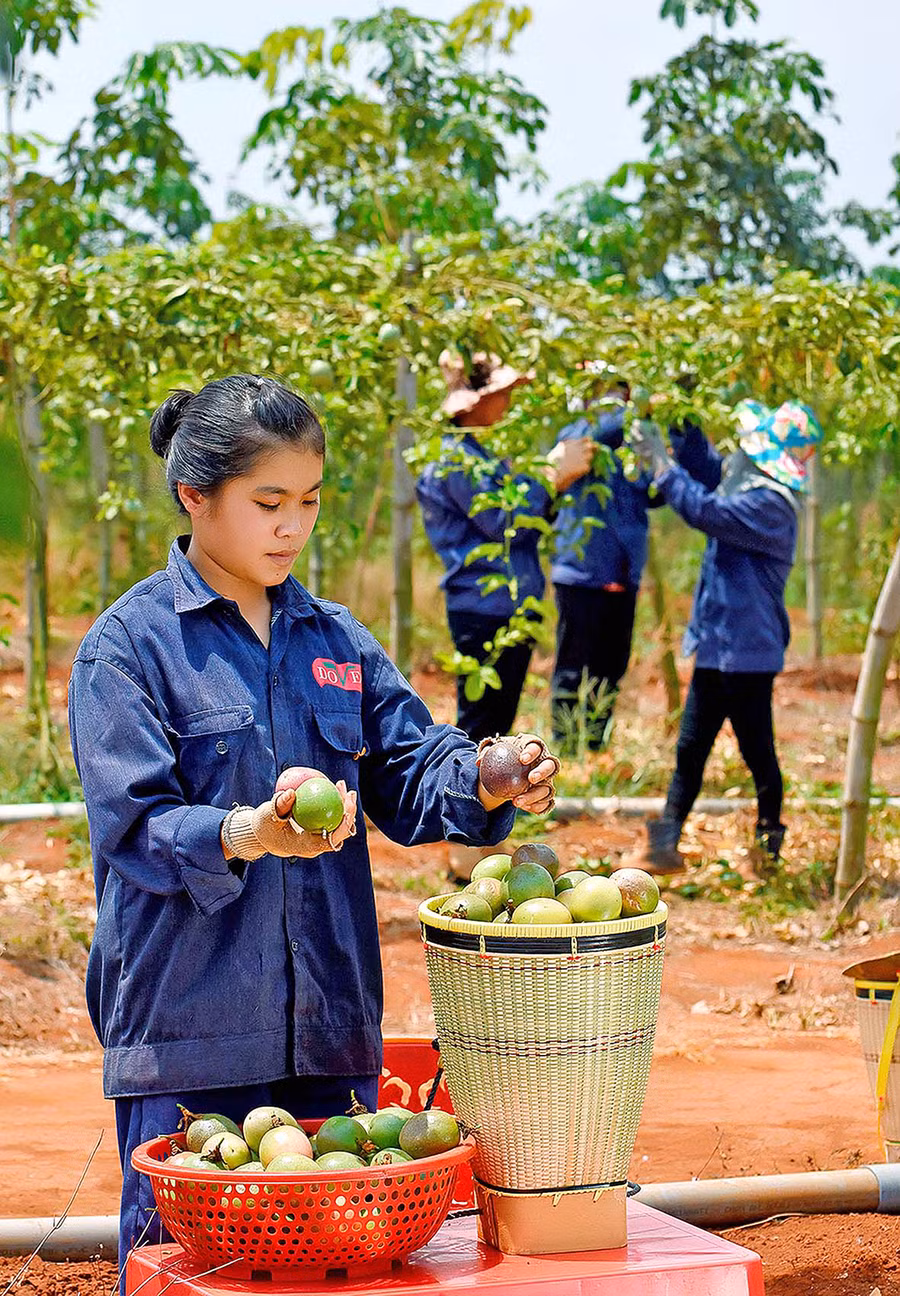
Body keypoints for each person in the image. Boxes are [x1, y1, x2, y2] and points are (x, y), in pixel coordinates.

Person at [67, 372, 559, 1283]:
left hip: (329, 1029)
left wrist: (488, 774)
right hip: (192, 1033)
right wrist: (248, 831)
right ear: (195, 496)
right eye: (267, 503)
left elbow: (415, 773)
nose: (292, 526)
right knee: (194, 1269)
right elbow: (133, 827)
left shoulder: (335, 641)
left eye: (309, 502)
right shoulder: (129, 648)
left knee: (341, 1264)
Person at [627, 399, 823, 874]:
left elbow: (704, 510)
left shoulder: (770, 504)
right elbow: (705, 466)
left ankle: (768, 848)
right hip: (717, 642)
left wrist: (660, 464)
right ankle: (664, 845)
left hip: (749, 650)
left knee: (758, 750)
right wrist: (683, 409)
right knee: (691, 746)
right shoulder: (749, 486)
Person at [550, 368, 664, 752]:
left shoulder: (633, 446)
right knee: (572, 667)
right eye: (608, 393)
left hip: (622, 572)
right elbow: (595, 436)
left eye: (621, 394)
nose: (616, 402)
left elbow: (654, 492)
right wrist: (638, 414)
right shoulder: (576, 438)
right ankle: (565, 748)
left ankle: (594, 743)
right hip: (580, 572)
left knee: (610, 667)